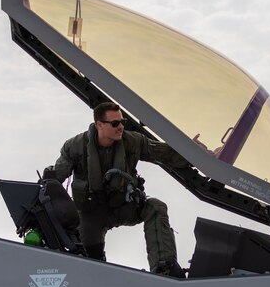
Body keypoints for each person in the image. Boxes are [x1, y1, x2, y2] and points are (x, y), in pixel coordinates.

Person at [47, 102, 188, 277]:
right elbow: (55, 179)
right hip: (91, 212)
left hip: (124, 206)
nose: (120, 127)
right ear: (100, 125)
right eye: (115, 124)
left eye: (122, 122)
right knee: (85, 262)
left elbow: (166, 154)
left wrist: (196, 154)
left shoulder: (133, 142)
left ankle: (164, 267)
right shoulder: (75, 147)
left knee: (155, 207)